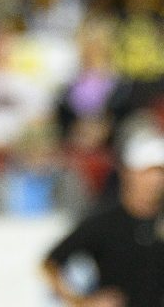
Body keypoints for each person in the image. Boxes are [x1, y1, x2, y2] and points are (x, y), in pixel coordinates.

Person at [42, 115, 164, 307]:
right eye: (147, 172)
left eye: (160, 172)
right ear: (127, 173)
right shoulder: (105, 222)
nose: (155, 180)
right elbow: (50, 263)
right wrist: (81, 301)